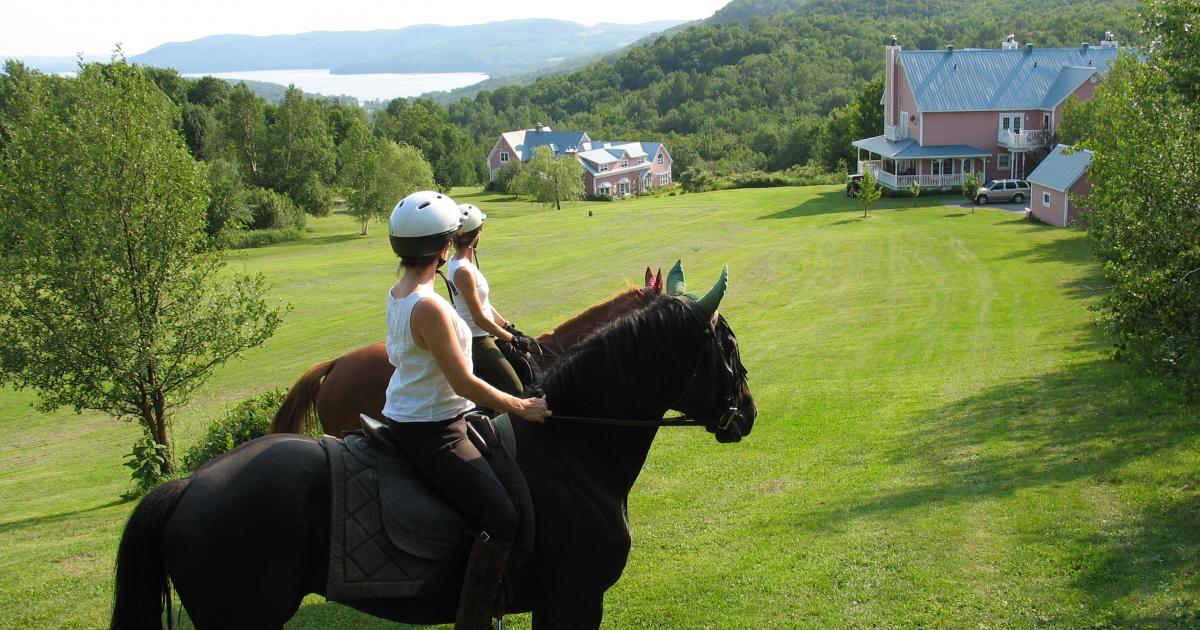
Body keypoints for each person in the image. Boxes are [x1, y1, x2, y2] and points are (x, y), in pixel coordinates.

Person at [383, 190, 551, 629]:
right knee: (501, 517)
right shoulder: (430, 307)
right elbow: (463, 382)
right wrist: (520, 405)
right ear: (444, 248)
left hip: (421, 414)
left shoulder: (401, 291)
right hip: (432, 428)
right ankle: (474, 619)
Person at [445, 203, 532, 398]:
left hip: (485, 333)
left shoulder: (461, 263)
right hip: (477, 340)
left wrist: (508, 327)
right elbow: (479, 319)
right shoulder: (463, 270)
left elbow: (483, 304)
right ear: (477, 235)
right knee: (515, 391)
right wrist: (512, 339)